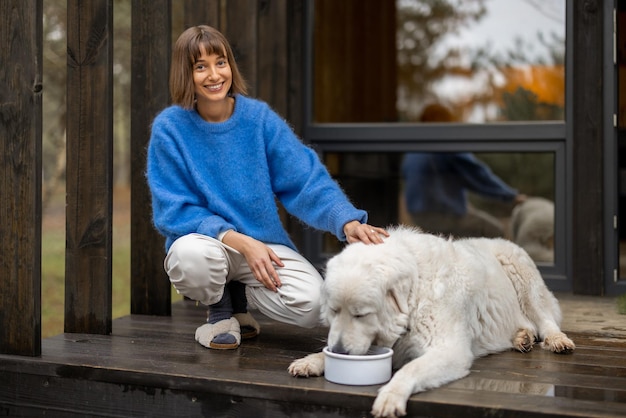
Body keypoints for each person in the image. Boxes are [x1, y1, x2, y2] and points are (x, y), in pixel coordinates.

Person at [146, 25, 388, 350]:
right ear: (185, 74)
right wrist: (240, 241)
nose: (214, 74)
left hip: (261, 246)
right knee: (192, 258)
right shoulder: (169, 129)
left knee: (313, 304)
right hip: (206, 243)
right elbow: (174, 209)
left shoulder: (258, 119)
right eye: (200, 66)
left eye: (221, 62)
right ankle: (219, 312)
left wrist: (346, 220)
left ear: (230, 65)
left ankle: (239, 296)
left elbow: (303, 178)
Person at [402, 103, 526, 238]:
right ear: (445, 122)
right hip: (441, 214)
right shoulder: (445, 142)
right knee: (495, 231)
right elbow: (477, 175)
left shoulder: (414, 147)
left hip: (418, 215)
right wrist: (511, 196)